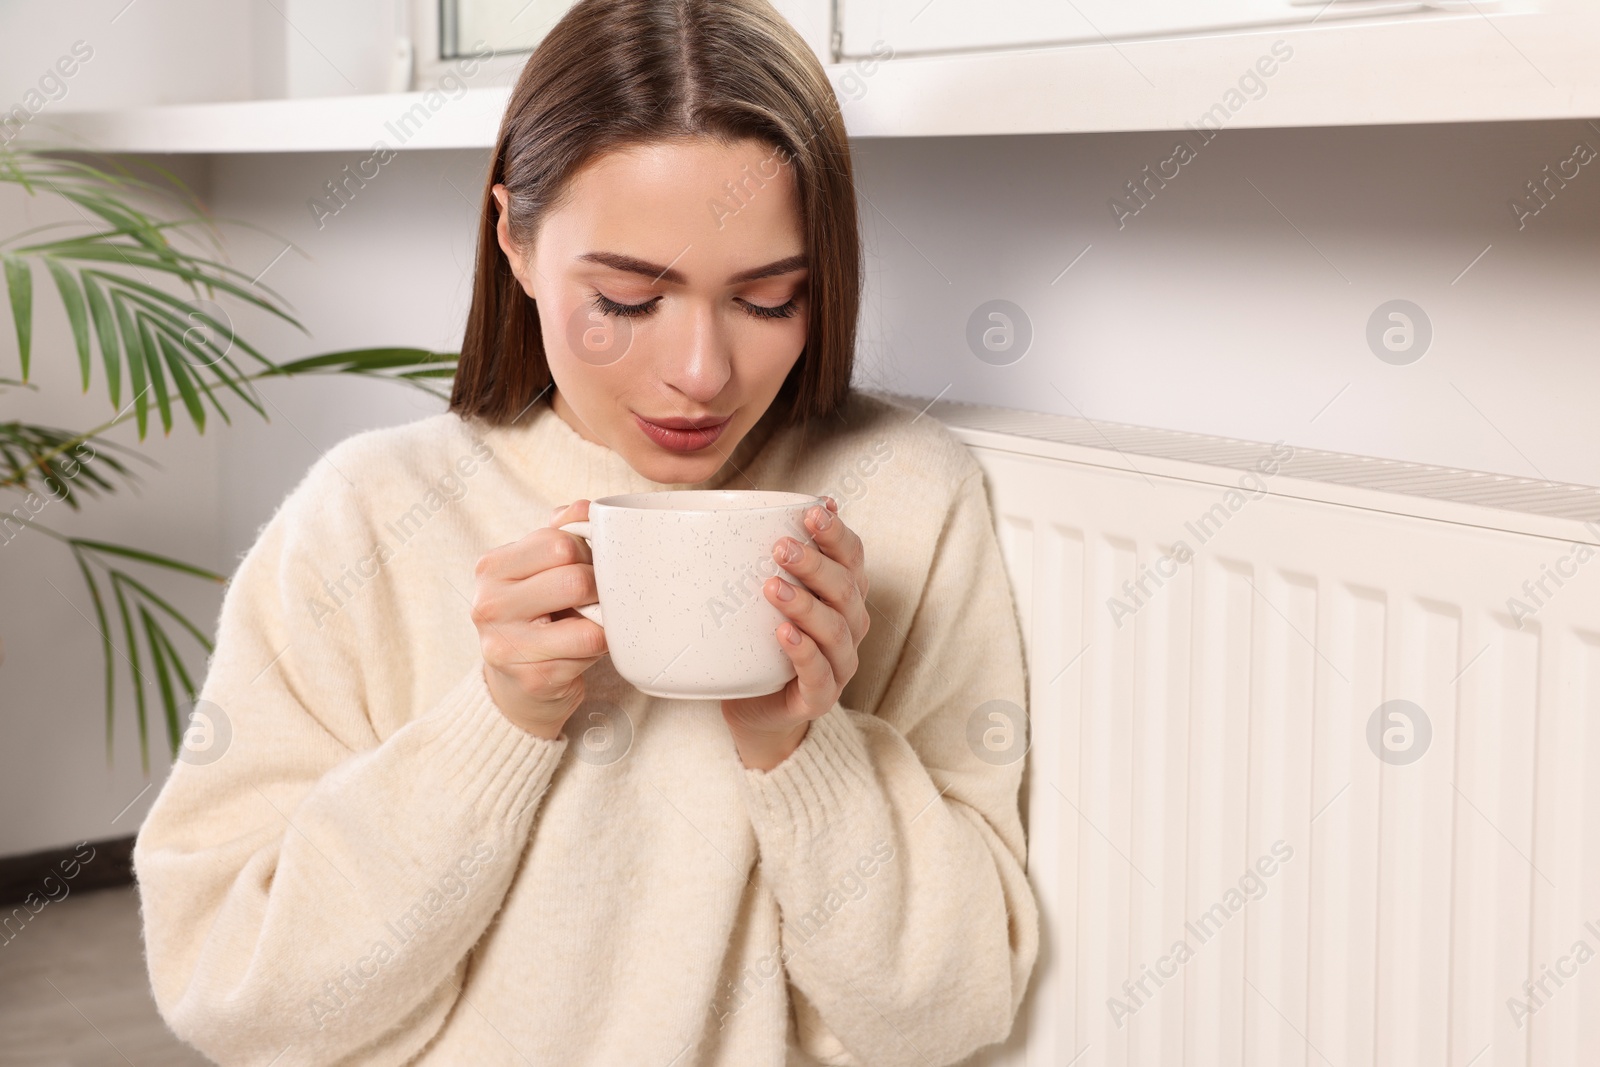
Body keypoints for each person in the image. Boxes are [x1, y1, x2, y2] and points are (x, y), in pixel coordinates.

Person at [133, 0, 1039, 1063]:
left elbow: (947, 1014)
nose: (701, 372)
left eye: (768, 299)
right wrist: (494, 725)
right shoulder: (366, 516)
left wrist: (803, 747)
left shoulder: (904, 503)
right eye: (625, 297)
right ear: (513, 240)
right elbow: (236, 996)